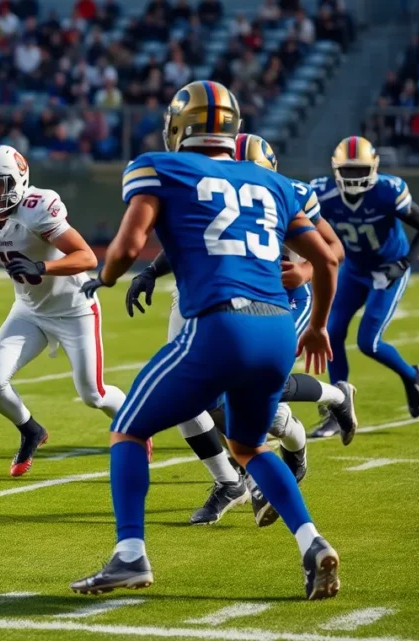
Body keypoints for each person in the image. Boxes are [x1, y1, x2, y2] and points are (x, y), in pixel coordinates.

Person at [71, 81, 342, 600]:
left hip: (219, 324)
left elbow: (127, 245)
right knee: (248, 444)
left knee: (128, 428)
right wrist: (319, 325)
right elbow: (327, 259)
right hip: (276, 329)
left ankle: (130, 554)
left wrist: (106, 279)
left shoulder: (161, 166)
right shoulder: (274, 182)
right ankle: (311, 543)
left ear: (179, 125)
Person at [127, 133, 356, 527]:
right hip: (203, 295)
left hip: (280, 298)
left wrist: (303, 270)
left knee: (257, 389)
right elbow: (189, 235)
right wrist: (149, 270)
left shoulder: (291, 192)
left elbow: (332, 249)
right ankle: (228, 481)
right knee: (192, 398)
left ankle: (330, 402)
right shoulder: (204, 184)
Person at [0, 144, 147, 476]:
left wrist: (41, 266)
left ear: (18, 182)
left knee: (93, 394)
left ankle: (137, 427)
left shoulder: (39, 207)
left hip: (74, 309)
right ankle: (30, 429)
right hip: (29, 309)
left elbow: (87, 258)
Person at [310, 136, 419, 432]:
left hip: (387, 271)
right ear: (335, 170)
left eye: (360, 170)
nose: (354, 177)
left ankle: (413, 376)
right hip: (354, 269)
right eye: (348, 171)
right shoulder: (323, 193)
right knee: (331, 333)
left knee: (368, 342)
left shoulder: (388, 191)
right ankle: (339, 410)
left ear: (374, 168)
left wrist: (406, 262)